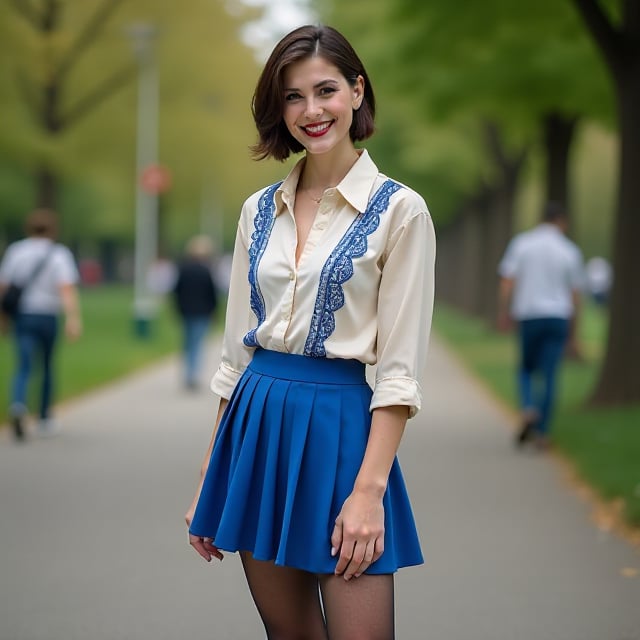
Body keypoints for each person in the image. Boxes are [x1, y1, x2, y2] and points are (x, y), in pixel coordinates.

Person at [185, 25, 436, 640]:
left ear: (356, 91)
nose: (310, 110)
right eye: (292, 97)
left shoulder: (402, 211)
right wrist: (211, 476)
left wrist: (368, 492)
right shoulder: (256, 209)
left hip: (344, 432)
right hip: (258, 426)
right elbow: (234, 354)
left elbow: (399, 373)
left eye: (325, 90)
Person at [497, 201, 584, 450]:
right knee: (550, 375)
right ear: (562, 221)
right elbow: (576, 294)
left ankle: (528, 408)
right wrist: (574, 332)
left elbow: (507, 281)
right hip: (559, 317)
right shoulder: (569, 250)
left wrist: (504, 312)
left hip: (529, 315)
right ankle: (543, 433)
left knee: (525, 368)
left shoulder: (522, 244)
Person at [0, 208, 82, 441]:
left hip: (23, 316)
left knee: (23, 365)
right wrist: (73, 318)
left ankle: (18, 404)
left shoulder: (16, 251)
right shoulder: (59, 254)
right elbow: (66, 288)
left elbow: (4, 287)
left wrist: (3, 318)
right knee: (46, 365)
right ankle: (45, 417)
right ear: (53, 229)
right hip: (47, 316)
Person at [172, 235, 219, 391]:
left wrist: (178, 309)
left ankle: (188, 374)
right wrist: (214, 312)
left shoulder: (183, 270)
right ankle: (193, 375)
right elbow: (212, 294)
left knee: (188, 343)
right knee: (197, 344)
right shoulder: (206, 271)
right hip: (202, 313)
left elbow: (176, 291)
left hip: (186, 312)